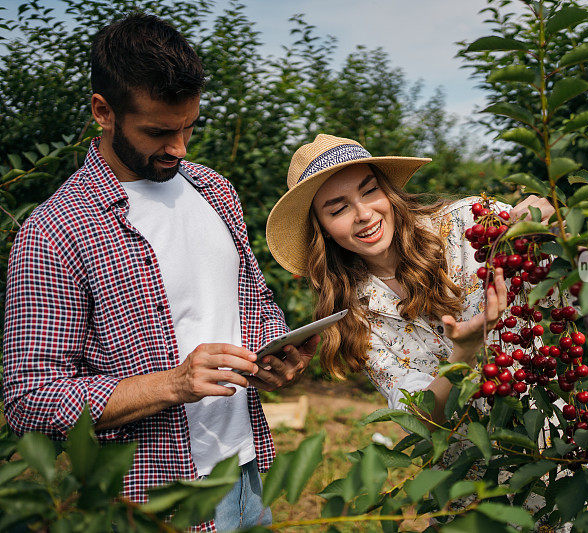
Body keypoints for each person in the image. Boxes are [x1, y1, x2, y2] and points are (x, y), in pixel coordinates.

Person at [2, 14, 315, 532]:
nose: (180, 148)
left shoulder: (216, 191)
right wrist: (172, 384)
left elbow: (254, 303)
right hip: (152, 500)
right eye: (159, 132)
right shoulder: (55, 232)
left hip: (245, 472)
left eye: (189, 127)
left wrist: (274, 354)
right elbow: (31, 400)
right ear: (104, 111)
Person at [265, 134, 554, 421]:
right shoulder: (356, 317)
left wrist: (565, 237)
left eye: (370, 191)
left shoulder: (472, 225)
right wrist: (462, 353)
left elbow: (583, 283)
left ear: (387, 192)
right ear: (323, 228)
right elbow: (419, 419)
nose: (364, 213)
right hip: (467, 462)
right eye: (338, 209)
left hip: (551, 446)